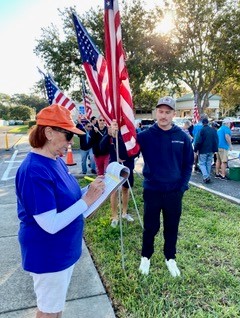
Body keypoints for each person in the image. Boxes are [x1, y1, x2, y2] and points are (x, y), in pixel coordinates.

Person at [15, 104, 105, 318]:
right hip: (48, 253)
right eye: (67, 136)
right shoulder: (34, 170)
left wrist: (94, 190)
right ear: (48, 133)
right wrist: (88, 199)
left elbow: (70, 199)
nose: (70, 142)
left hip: (62, 251)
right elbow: (51, 224)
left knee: (55, 308)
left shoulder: (55, 160)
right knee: (48, 312)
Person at [137, 96, 194, 277]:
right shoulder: (145, 136)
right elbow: (126, 153)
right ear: (156, 112)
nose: (163, 116)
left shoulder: (182, 137)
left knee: (172, 227)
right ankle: (146, 257)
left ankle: (170, 257)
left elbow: (188, 164)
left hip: (174, 193)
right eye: (160, 111)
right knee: (150, 227)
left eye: (167, 112)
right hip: (152, 190)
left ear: (173, 114)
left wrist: (182, 187)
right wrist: (114, 136)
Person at [100, 124, 135, 227]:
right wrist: (109, 135)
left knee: (125, 189)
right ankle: (114, 216)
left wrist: (127, 158)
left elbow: (134, 150)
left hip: (127, 165)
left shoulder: (127, 131)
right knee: (114, 191)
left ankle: (124, 212)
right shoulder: (110, 133)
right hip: (114, 167)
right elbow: (102, 148)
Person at [194, 118, 219, 183]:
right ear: (208, 123)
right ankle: (207, 177)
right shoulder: (213, 130)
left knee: (202, 163)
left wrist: (195, 149)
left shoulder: (201, 130)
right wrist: (215, 149)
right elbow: (216, 140)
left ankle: (206, 177)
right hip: (211, 150)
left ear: (202, 123)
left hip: (203, 150)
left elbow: (198, 141)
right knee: (208, 163)